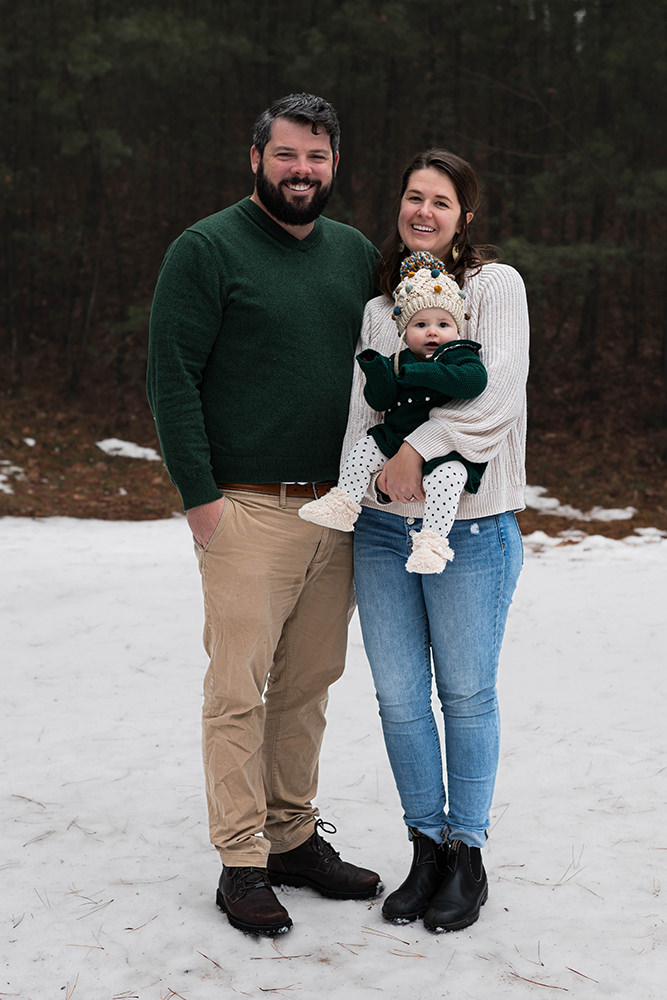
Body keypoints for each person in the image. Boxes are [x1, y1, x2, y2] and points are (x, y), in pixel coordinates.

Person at [146, 93, 382, 937]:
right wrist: (201, 498)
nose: (301, 171)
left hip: (336, 507)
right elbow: (170, 375)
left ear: (333, 165)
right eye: (286, 155)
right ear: (256, 158)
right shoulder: (206, 249)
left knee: (309, 685)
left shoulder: (353, 252)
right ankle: (242, 859)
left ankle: (291, 838)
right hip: (244, 506)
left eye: (315, 158)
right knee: (236, 691)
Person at [341, 149, 529, 932]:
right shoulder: (383, 308)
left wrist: (415, 451)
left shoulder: (493, 287)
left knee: (464, 694)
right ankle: (424, 844)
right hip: (384, 534)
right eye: (412, 197)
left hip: (471, 527)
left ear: (465, 215)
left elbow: (495, 393)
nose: (423, 211)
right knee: (396, 698)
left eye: (440, 201)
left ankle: (467, 852)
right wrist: (356, 491)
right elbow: (363, 413)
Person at [298, 251, 488, 573]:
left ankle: (431, 544)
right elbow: (378, 400)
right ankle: (344, 501)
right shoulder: (400, 359)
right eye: (421, 324)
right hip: (395, 438)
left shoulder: (459, 357)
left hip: (445, 450)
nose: (432, 332)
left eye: (443, 324)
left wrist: (418, 374)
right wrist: (378, 370)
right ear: (404, 331)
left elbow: (473, 383)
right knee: (364, 449)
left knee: (448, 479)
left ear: (456, 328)